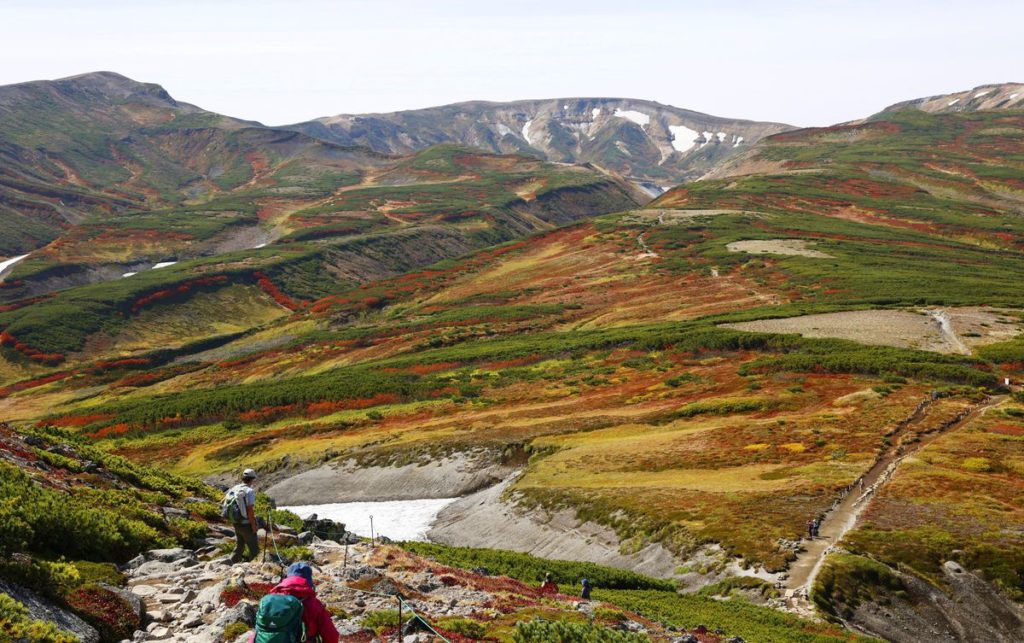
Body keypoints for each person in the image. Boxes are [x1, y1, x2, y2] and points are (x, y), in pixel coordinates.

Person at [226, 468, 260, 563]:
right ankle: (255, 566)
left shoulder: (235, 488)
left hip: (236, 522)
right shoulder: (249, 491)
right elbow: (250, 510)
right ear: (252, 479)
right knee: (254, 549)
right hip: (246, 524)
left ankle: (232, 563)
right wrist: (253, 525)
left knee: (240, 544)